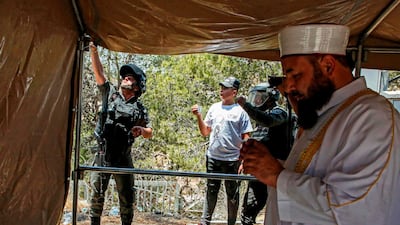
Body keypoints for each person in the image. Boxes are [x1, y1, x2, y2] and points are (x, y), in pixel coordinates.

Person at [240, 24, 400, 225]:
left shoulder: (373, 116)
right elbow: (311, 175)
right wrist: (267, 164)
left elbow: (352, 208)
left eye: (295, 75)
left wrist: (277, 176)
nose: (288, 87)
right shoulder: (326, 112)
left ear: (328, 66)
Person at [89, 42, 153, 225]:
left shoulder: (139, 108)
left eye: (129, 77)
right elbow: (99, 74)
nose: (125, 78)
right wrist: (94, 51)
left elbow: (149, 131)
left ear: (137, 87)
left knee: (127, 196)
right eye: (124, 76)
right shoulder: (109, 94)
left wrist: (142, 130)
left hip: (123, 157)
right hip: (103, 154)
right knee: (96, 195)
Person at [191, 76, 253, 225]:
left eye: (225, 88)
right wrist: (198, 116)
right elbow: (205, 131)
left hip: (233, 159)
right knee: (211, 190)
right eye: (221, 87)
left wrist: (244, 160)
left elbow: (247, 137)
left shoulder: (240, 112)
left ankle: (231, 222)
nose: (221, 90)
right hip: (213, 157)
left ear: (234, 92)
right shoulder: (214, 107)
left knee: (232, 194)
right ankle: (205, 221)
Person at [236, 83, 293, 225]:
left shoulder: (280, 113)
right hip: (259, 169)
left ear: (269, 97)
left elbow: (267, 121)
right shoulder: (261, 119)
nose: (256, 101)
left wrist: (247, 107)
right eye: (254, 97)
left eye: (259, 97)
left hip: (276, 168)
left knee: (276, 209)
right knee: (249, 209)